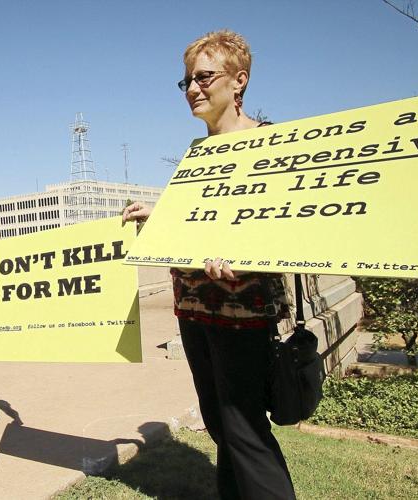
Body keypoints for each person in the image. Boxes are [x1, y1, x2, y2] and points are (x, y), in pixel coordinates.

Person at [123, 30, 296, 499]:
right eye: (186, 82)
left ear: (239, 81)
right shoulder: (198, 153)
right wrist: (155, 218)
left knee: (244, 428)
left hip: (243, 310)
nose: (193, 89)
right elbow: (199, 222)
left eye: (204, 77)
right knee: (220, 423)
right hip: (194, 305)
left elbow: (288, 225)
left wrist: (245, 259)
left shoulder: (271, 143)